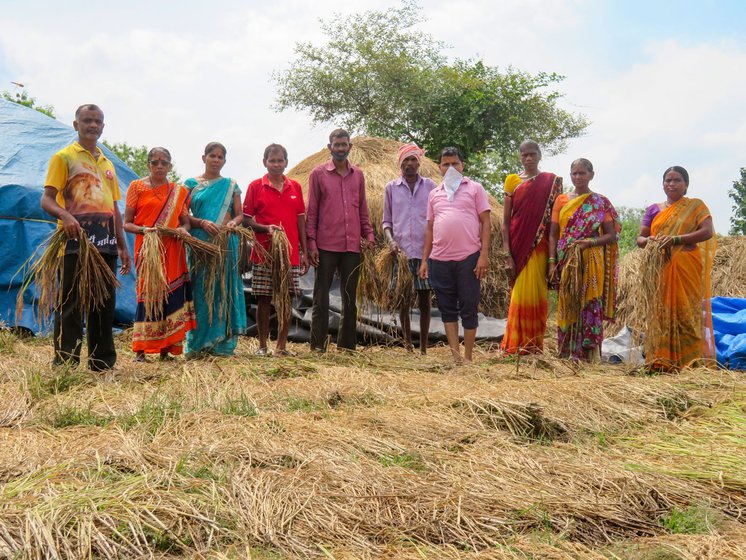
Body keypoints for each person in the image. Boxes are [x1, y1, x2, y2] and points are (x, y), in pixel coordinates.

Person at [40, 104, 131, 371]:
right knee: (71, 302)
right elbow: (46, 199)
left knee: (103, 304)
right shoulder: (64, 157)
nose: (93, 125)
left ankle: (102, 363)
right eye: (87, 120)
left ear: (103, 126)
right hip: (74, 244)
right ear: (76, 124)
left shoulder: (107, 164)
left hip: (106, 244)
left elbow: (114, 209)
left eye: (98, 121)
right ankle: (65, 363)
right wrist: (66, 216)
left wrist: (122, 246)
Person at [636, 166, 715, 371]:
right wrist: (650, 240)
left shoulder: (696, 206)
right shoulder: (654, 209)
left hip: (686, 266)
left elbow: (707, 232)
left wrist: (676, 240)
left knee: (686, 311)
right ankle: (661, 361)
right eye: (667, 180)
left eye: (677, 180)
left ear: (686, 184)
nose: (671, 184)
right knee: (661, 313)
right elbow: (640, 238)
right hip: (659, 268)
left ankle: (689, 362)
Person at [123, 147, 196, 361]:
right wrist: (145, 230)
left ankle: (167, 349)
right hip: (148, 248)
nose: (160, 166)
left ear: (170, 166)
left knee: (171, 295)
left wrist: (183, 230)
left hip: (172, 248)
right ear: (149, 165)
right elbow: (127, 223)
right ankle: (140, 349)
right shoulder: (136, 187)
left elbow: (185, 222)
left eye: (164, 163)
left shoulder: (178, 191)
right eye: (155, 162)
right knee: (148, 294)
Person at [419, 147, 491, 363]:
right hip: (439, 260)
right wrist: (424, 260)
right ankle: (456, 358)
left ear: (462, 166)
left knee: (469, 306)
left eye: (455, 164)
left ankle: (468, 358)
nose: (450, 168)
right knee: (447, 309)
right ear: (439, 168)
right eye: (446, 164)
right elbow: (430, 228)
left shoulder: (475, 189)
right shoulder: (434, 194)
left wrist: (483, 255)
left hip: (468, 258)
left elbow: (486, 222)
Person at [306, 129, 375, 352]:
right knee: (321, 297)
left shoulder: (358, 175)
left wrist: (369, 234)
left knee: (349, 298)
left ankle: (347, 346)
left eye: (344, 145)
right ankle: (318, 345)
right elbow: (312, 212)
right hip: (326, 245)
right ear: (330, 147)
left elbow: (362, 208)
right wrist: (312, 244)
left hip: (352, 245)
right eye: (337, 145)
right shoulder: (318, 174)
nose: (341, 149)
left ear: (350, 147)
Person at [548, 158, 620, 361]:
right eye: (574, 173)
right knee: (568, 302)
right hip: (566, 259)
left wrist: (589, 242)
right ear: (570, 175)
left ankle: (589, 355)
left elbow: (611, 234)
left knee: (589, 302)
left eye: (582, 173)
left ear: (591, 175)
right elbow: (553, 234)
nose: (578, 177)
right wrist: (552, 262)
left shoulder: (600, 202)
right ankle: (566, 353)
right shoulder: (561, 200)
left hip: (590, 259)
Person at [243, 143, 309, 356]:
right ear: (265, 162)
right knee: (263, 298)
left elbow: (301, 222)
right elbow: (246, 220)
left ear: (286, 162)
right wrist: (265, 228)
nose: (276, 164)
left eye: (280, 160)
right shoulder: (255, 186)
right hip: (264, 252)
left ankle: (281, 346)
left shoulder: (295, 187)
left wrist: (304, 252)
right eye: (272, 160)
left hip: (289, 255)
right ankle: (262, 346)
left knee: (287, 298)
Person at [184, 142, 246, 357]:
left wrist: (233, 223)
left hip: (225, 243)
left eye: (220, 157)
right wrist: (200, 222)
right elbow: (182, 216)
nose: (216, 160)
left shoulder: (231, 185)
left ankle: (222, 344)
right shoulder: (190, 184)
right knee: (200, 290)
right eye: (212, 156)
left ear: (225, 161)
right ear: (204, 158)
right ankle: (197, 343)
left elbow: (240, 214)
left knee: (223, 289)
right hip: (200, 243)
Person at [501, 140, 563, 354]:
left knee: (536, 294)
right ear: (519, 156)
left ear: (539, 155)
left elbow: (556, 222)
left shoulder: (550, 181)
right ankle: (514, 345)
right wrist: (507, 254)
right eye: (524, 154)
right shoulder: (512, 181)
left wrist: (555, 257)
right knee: (518, 294)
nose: (528, 158)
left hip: (540, 248)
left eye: (532, 154)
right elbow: (506, 222)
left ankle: (533, 346)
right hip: (518, 246)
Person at [382, 143, 436, 354]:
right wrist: (391, 241)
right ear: (400, 164)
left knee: (424, 299)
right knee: (404, 299)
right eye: (406, 161)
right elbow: (386, 222)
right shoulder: (391, 188)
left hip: (424, 253)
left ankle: (423, 347)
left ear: (418, 163)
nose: (410, 164)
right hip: (401, 253)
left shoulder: (430, 187)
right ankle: (407, 345)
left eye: (413, 160)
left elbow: (436, 218)